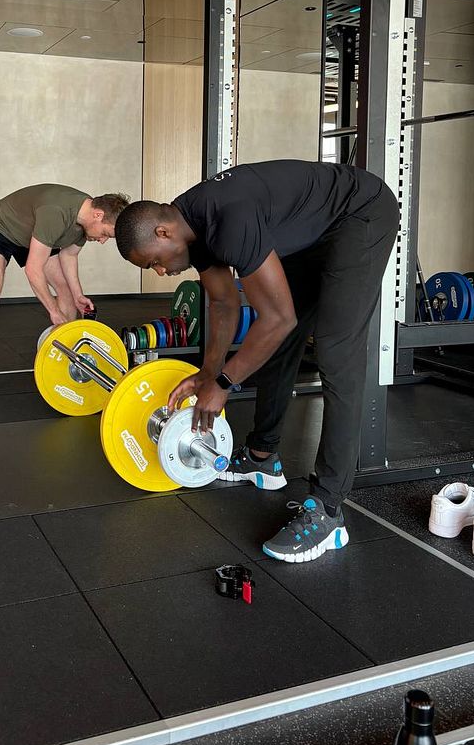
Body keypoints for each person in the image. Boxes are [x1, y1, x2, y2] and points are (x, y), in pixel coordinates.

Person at [114, 160, 398, 563]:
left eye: (152, 262)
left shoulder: (229, 221)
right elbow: (223, 303)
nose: (159, 271)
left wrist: (224, 384)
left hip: (360, 212)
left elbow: (277, 319)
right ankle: (261, 458)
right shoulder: (192, 226)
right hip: (316, 230)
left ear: (163, 232)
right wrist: (208, 373)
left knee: (335, 349)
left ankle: (329, 510)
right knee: (280, 339)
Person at [0, 184, 129, 412]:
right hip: (0, 228)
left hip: (35, 236)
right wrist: (53, 311)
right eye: (105, 234)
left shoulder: (84, 222)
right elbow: (33, 270)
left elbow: (69, 256)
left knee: (65, 291)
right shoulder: (56, 213)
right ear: (98, 215)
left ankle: (66, 360)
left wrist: (77, 295)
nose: (103, 240)